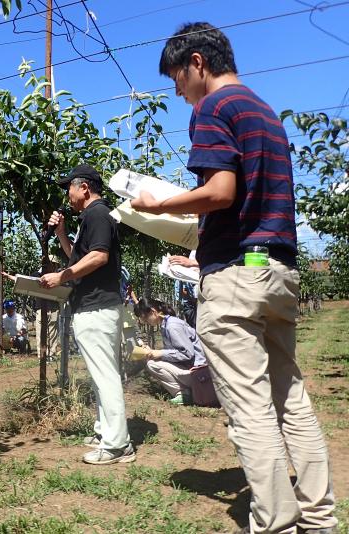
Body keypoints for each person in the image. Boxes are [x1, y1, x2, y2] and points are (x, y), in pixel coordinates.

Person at [131, 22, 335, 533]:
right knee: (292, 400)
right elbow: (250, 201)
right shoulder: (265, 112)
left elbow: (220, 190)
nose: (178, 92)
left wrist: (160, 204)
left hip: (236, 280)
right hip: (277, 271)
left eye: (177, 78)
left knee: (249, 408)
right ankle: (319, 517)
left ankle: (276, 524)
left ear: (197, 62)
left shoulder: (213, 109)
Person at [40, 164, 134, 466]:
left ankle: (118, 444)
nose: (67, 194)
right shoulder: (89, 218)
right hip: (91, 305)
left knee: (105, 376)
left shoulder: (98, 214)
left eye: (69, 186)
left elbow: (99, 256)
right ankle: (105, 431)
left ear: (84, 188)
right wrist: (61, 232)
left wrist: (62, 277)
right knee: (99, 375)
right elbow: (77, 257)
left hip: (98, 306)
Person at [133, 298, 206, 404]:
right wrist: (154, 352)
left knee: (152, 365)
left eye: (144, 318)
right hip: (192, 368)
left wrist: (160, 353)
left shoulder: (172, 326)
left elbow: (187, 353)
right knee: (155, 361)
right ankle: (187, 391)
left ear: (153, 312)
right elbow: (176, 351)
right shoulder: (166, 323)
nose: (145, 322)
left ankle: (184, 394)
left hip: (199, 373)